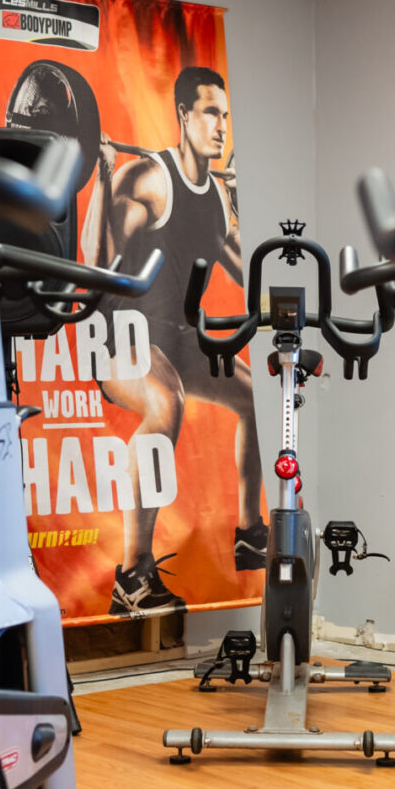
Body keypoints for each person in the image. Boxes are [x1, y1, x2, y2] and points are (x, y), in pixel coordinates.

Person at [81, 66, 266, 616]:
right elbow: (94, 268)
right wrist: (101, 180)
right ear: (185, 115)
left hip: (180, 335)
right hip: (122, 332)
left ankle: (250, 530)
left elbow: (243, 272)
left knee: (255, 398)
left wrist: (234, 210)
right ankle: (133, 574)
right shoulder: (147, 179)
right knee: (165, 401)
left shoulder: (212, 193)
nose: (221, 126)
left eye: (227, 115)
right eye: (211, 112)